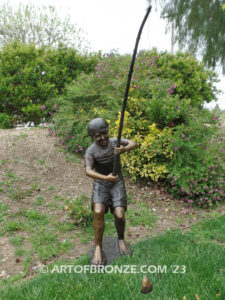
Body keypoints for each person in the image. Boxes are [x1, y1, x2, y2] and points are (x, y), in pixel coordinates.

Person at [85, 118, 137, 265]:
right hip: (102, 183)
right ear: (92, 137)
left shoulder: (115, 142)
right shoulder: (91, 151)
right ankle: (98, 247)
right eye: (97, 136)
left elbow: (134, 143)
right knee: (98, 210)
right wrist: (105, 178)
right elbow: (88, 171)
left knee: (119, 214)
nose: (102, 138)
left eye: (104, 133)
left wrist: (124, 149)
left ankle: (121, 239)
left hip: (117, 182)